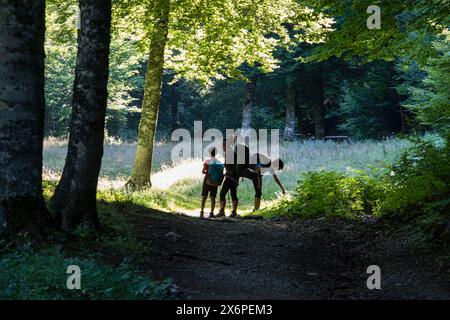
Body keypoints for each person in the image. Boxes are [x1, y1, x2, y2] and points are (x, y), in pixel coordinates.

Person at [217, 138, 241, 218]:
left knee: (222, 193)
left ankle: (222, 211)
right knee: (233, 194)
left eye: (223, 145)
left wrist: (226, 174)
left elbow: (230, 166)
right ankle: (233, 212)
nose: (222, 147)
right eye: (222, 145)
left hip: (230, 177)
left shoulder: (229, 153)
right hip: (234, 177)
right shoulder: (232, 152)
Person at [200, 147, 224, 218]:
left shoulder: (207, 162)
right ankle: (212, 213)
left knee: (204, 196)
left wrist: (207, 172)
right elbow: (221, 173)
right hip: (215, 182)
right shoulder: (219, 163)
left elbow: (203, 171)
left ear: (210, 153)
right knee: (213, 197)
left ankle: (201, 212)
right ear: (216, 153)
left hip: (207, 181)